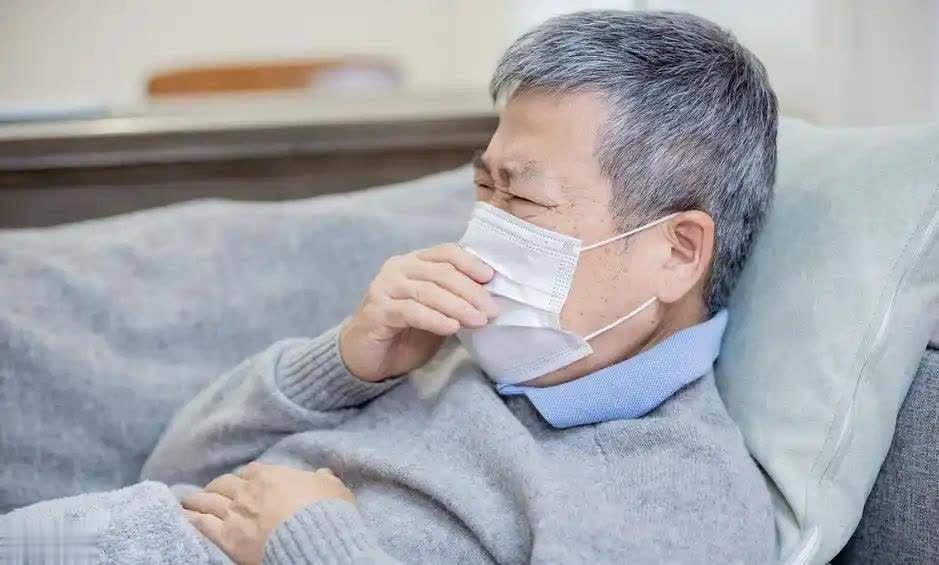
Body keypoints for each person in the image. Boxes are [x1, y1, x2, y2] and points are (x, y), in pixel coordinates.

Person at [0, 9, 778, 565]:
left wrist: (311, 543)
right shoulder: (465, 348)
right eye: (484, 188)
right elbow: (174, 466)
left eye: (523, 197)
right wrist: (342, 363)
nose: (485, 230)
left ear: (677, 252)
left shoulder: (678, 499)